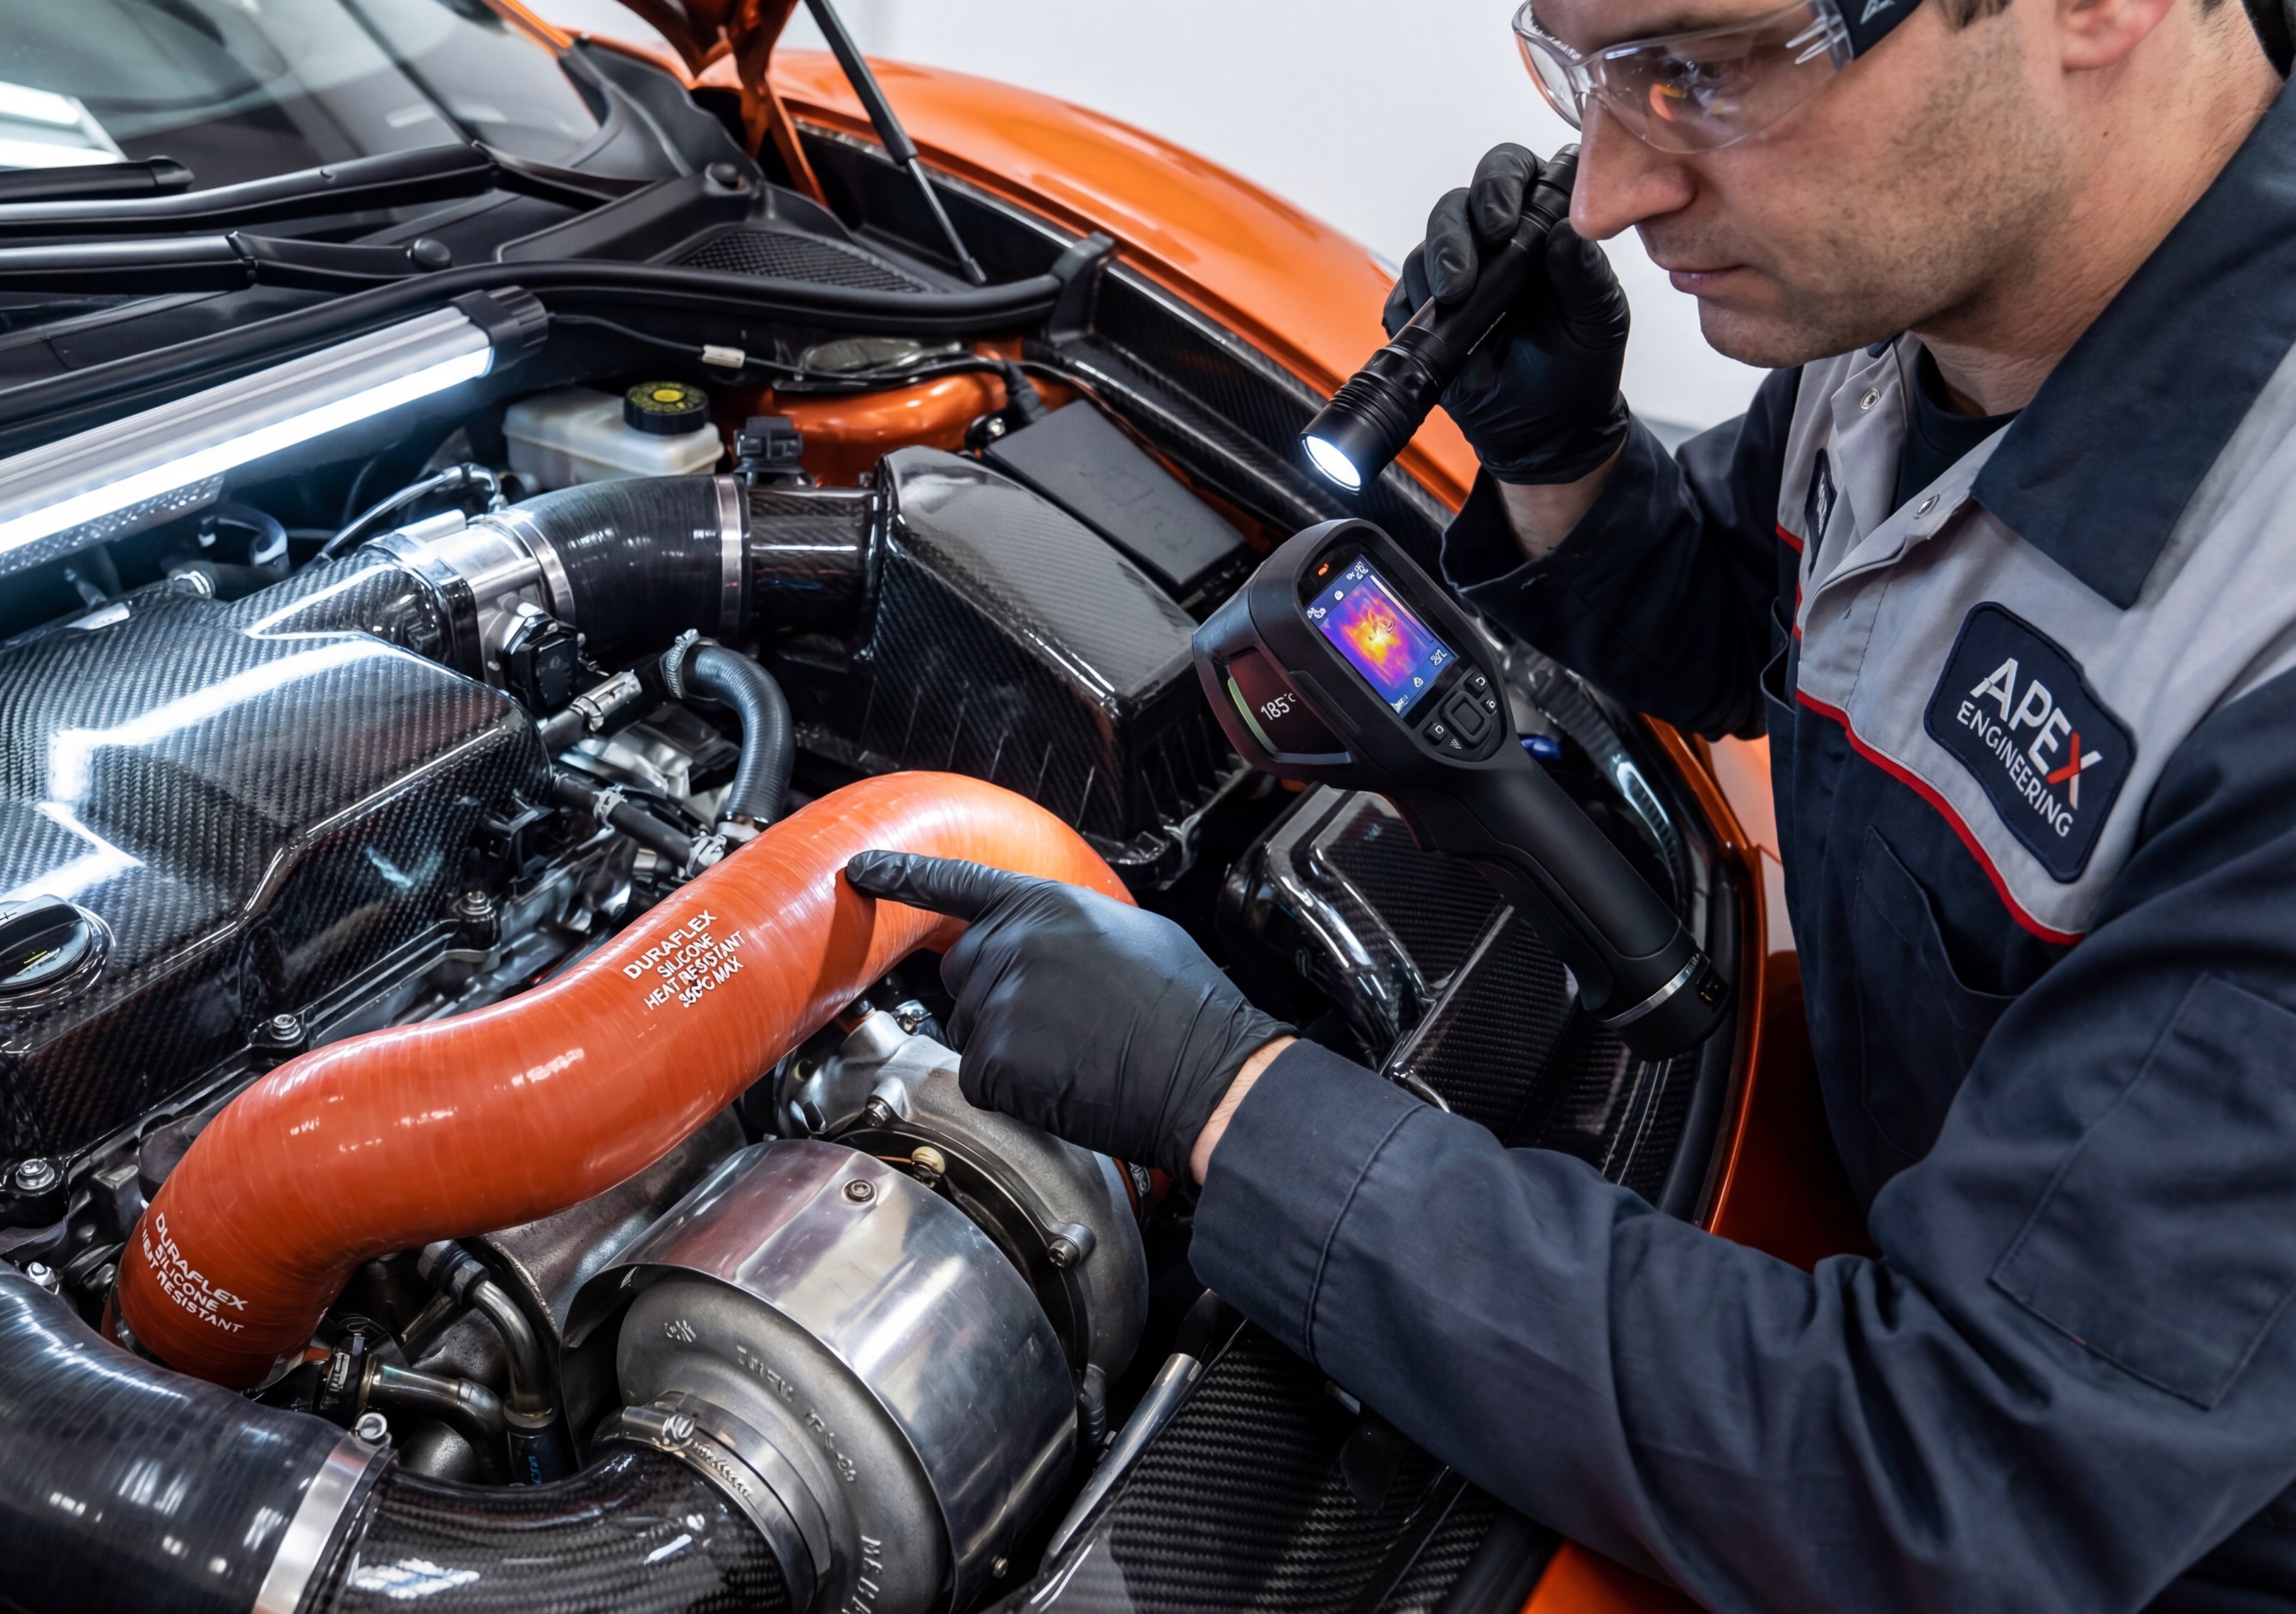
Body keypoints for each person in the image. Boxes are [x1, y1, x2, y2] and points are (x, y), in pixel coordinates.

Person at [845, 0, 2296, 1607]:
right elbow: (1776, 631)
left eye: (1702, 69)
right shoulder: (1936, 316)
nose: (1602, 190)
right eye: (1581, 70)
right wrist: (1568, 461)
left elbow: (1946, 1481)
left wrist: (1230, 1104)